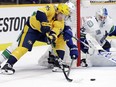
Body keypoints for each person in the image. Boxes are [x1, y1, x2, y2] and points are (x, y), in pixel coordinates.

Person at [1, 3, 70, 75]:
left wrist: (51, 38)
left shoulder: (60, 22)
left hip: (43, 33)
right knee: (24, 47)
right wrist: (44, 23)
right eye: (61, 14)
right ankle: (8, 65)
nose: (62, 17)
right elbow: (40, 12)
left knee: (61, 37)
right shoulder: (51, 8)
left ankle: (59, 63)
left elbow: (55, 32)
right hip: (32, 29)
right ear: (57, 11)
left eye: (64, 16)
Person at [46, 1, 78, 72]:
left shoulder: (68, 17)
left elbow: (66, 30)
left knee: (62, 41)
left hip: (56, 32)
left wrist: (72, 46)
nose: (69, 13)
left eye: (70, 12)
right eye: (69, 11)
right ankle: (53, 59)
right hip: (48, 29)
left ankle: (56, 61)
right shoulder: (56, 9)